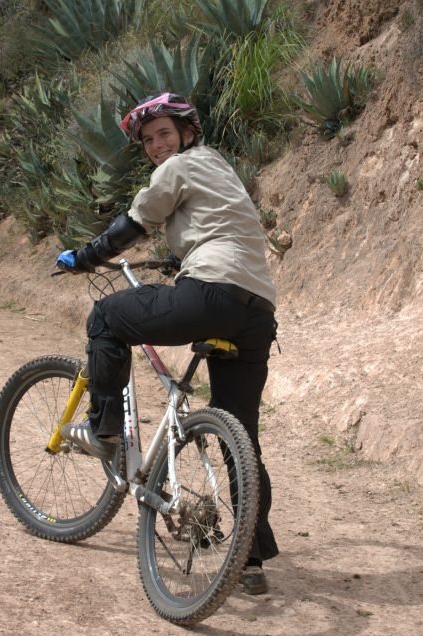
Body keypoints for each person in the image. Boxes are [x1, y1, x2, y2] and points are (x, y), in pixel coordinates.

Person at [55, 92, 279, 595]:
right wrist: (182, 260)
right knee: (239, 431)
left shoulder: (175, 170)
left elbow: (133, 226)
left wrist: (86, 257)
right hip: (258, 310)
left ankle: (104, 432)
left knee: (107, 316)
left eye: (164, 134)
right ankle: (251, 557)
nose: (157, 145)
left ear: (185, 133)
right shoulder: (219, 166)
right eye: (148, 139)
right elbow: (219, 227)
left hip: (212, 292)